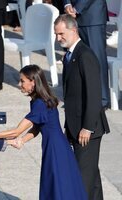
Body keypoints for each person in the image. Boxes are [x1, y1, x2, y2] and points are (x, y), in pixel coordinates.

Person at [0, 65, 87, 200]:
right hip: (58, 146)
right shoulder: (40, 100)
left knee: (58, 187)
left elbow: (16, 132)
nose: (19, 84)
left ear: (33, 82)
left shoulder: (40, 104)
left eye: (22, 81)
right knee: (61, 186)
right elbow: (37, 127)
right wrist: (23, 141)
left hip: (55, 150)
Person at [54, 14, 110, 200]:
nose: (58, 38)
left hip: (88, 129)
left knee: (81, 181)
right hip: (76, 127)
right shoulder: (70, 55)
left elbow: (94, 96)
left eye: (61, 33)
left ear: (73, 30)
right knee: (91, 179)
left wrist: (87, 127)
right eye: (56, 34)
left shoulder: (85, 55)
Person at [63, 0, 110, 108]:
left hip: (93, 16)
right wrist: (67, 4)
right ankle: (80, 97)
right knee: (76, 58)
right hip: (73, 18)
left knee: (96, 59)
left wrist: (77, 8)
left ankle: (101, 100)